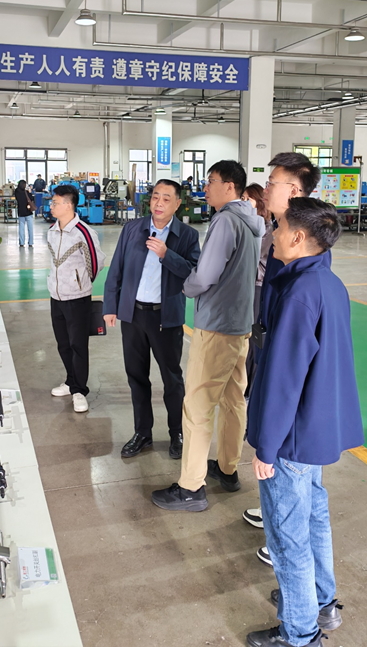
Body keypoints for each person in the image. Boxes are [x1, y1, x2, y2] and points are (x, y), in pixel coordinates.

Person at [246, 198, 364, 647]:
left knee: (287, 537)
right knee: (313, 517)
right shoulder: (328, 283)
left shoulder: (298, 294)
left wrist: (266, 447)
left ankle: (299, 633)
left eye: (277, 227)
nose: (272, 234)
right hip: (316, 429)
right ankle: (319, 601)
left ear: (298, 237)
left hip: (290, 437)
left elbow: (283, 378)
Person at [151, 160, 264, 511]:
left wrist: (188, 286)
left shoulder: (226, 221)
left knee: (198, 407)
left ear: (229, 186)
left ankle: (190, 488)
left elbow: (205, 275)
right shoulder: (253, 221)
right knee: (233, 400)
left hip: (216, 326)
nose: (205, 187)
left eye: (211, 181)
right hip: (240, 325)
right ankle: (228, 469)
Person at [242, 153, 322, 566]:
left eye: (272, 182)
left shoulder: (297, 241)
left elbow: (290, 352)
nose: (266, 188)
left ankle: (283, 541)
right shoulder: (279, 230)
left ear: (293, 190)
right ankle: (274, 512)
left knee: (285, 466)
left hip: (279, 350)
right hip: (268, 342)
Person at [103, 179, 200, 459]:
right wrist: (110, 305)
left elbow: (194, 274)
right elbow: (116, 268)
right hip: (133, 315)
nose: (159, 203)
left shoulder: (187, 236)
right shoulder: (132, 229)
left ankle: (176, 433)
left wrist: (166, 255)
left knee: (172, 379)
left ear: (177, 204)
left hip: (165, 318)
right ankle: (142, 432)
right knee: (137, 377)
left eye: (166, 199)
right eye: (156, 196)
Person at [48, 185, 105, 413]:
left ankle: (80, 390)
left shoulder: (83, 232)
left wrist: (80, 283)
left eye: (55, 202)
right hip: (56, 297)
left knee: (78, 345)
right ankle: (70, 381)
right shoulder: (52, 230)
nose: (51, 206)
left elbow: (96, 262)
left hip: (77, 298)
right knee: (63, 344)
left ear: (68, 205)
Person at [241, 183, 273, 397]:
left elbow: (254, 259)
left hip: (257, 288)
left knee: (253, 339)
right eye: (242, 198)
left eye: (248, 199)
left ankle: (249, 387)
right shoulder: (249, 225)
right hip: (246, 287)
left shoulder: (266, 229)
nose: (243, 202)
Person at [14, 180, 35, 248]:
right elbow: (31, 198)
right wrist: (30, 192)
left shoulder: (16, 192)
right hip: (28, 212)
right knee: (30, 228)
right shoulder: (26, 192)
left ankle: (21, 243)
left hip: (21, 212)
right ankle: (30, 243)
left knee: (21, 228)